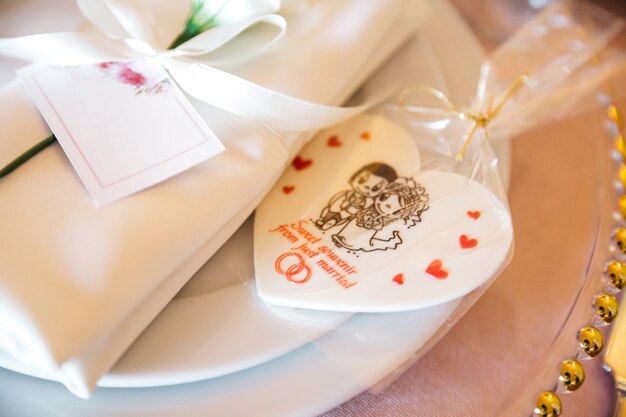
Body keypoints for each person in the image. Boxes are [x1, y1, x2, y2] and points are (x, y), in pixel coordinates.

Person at [331, 177, 429, 252]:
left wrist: (373, 223)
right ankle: (341, 237)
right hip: (358, 221)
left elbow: (378, 226)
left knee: (358, 236)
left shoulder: (380, 221)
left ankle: (348, 242)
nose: (384, 206)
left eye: (396, 211)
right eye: (383, 198)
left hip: (365, 229)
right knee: (350, 226)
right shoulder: (369, 206)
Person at [315, 162, 397, 231]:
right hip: (339, 204)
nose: (366, 187)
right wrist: (331, 204)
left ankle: (332, 222)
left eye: (376, 188)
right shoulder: (347, 193)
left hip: (350, 211)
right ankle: (324, 220)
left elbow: (363, 209)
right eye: (362, 180)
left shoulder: (368, 202)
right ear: (356, 175)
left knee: (341, 217)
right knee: (332, 210)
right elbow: (336, 198)